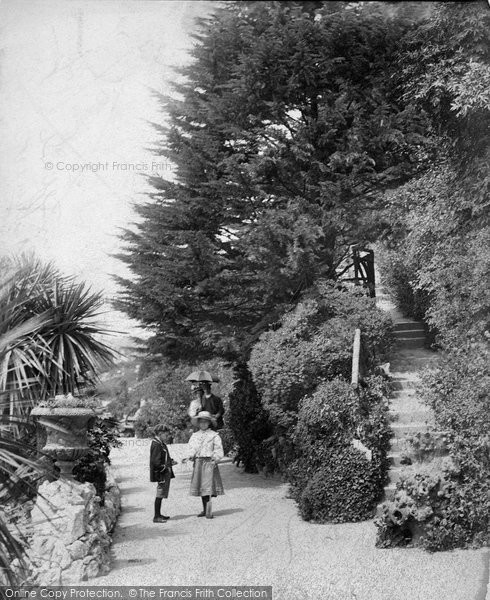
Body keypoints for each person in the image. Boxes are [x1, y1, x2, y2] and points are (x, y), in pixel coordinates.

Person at [182, 411, 224, 518]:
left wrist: (215, 459)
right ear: (198, 423)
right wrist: (190, 456)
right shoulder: (195, 436)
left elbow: (218, 449)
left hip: (209, 462)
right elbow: (192, 448)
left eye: (206, 422)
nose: (203, 424)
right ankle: (204, 509)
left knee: (208, 486)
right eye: (201, 422)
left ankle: (208, 510)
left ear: (209, 423)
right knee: (201, 486)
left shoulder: (214, 435)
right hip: (199, 463)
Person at [149, 425, 176, 523]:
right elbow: (156, 462)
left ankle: (159, 514)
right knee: (159, 494)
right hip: (161, 473)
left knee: (161, 493)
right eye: (166, 434)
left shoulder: (160, 443)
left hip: (163, 472)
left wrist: (170, 461)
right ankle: (156, 516)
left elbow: (163, 457)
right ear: (160, 434)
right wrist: (166, 465)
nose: (167, 436)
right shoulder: (156, 444)